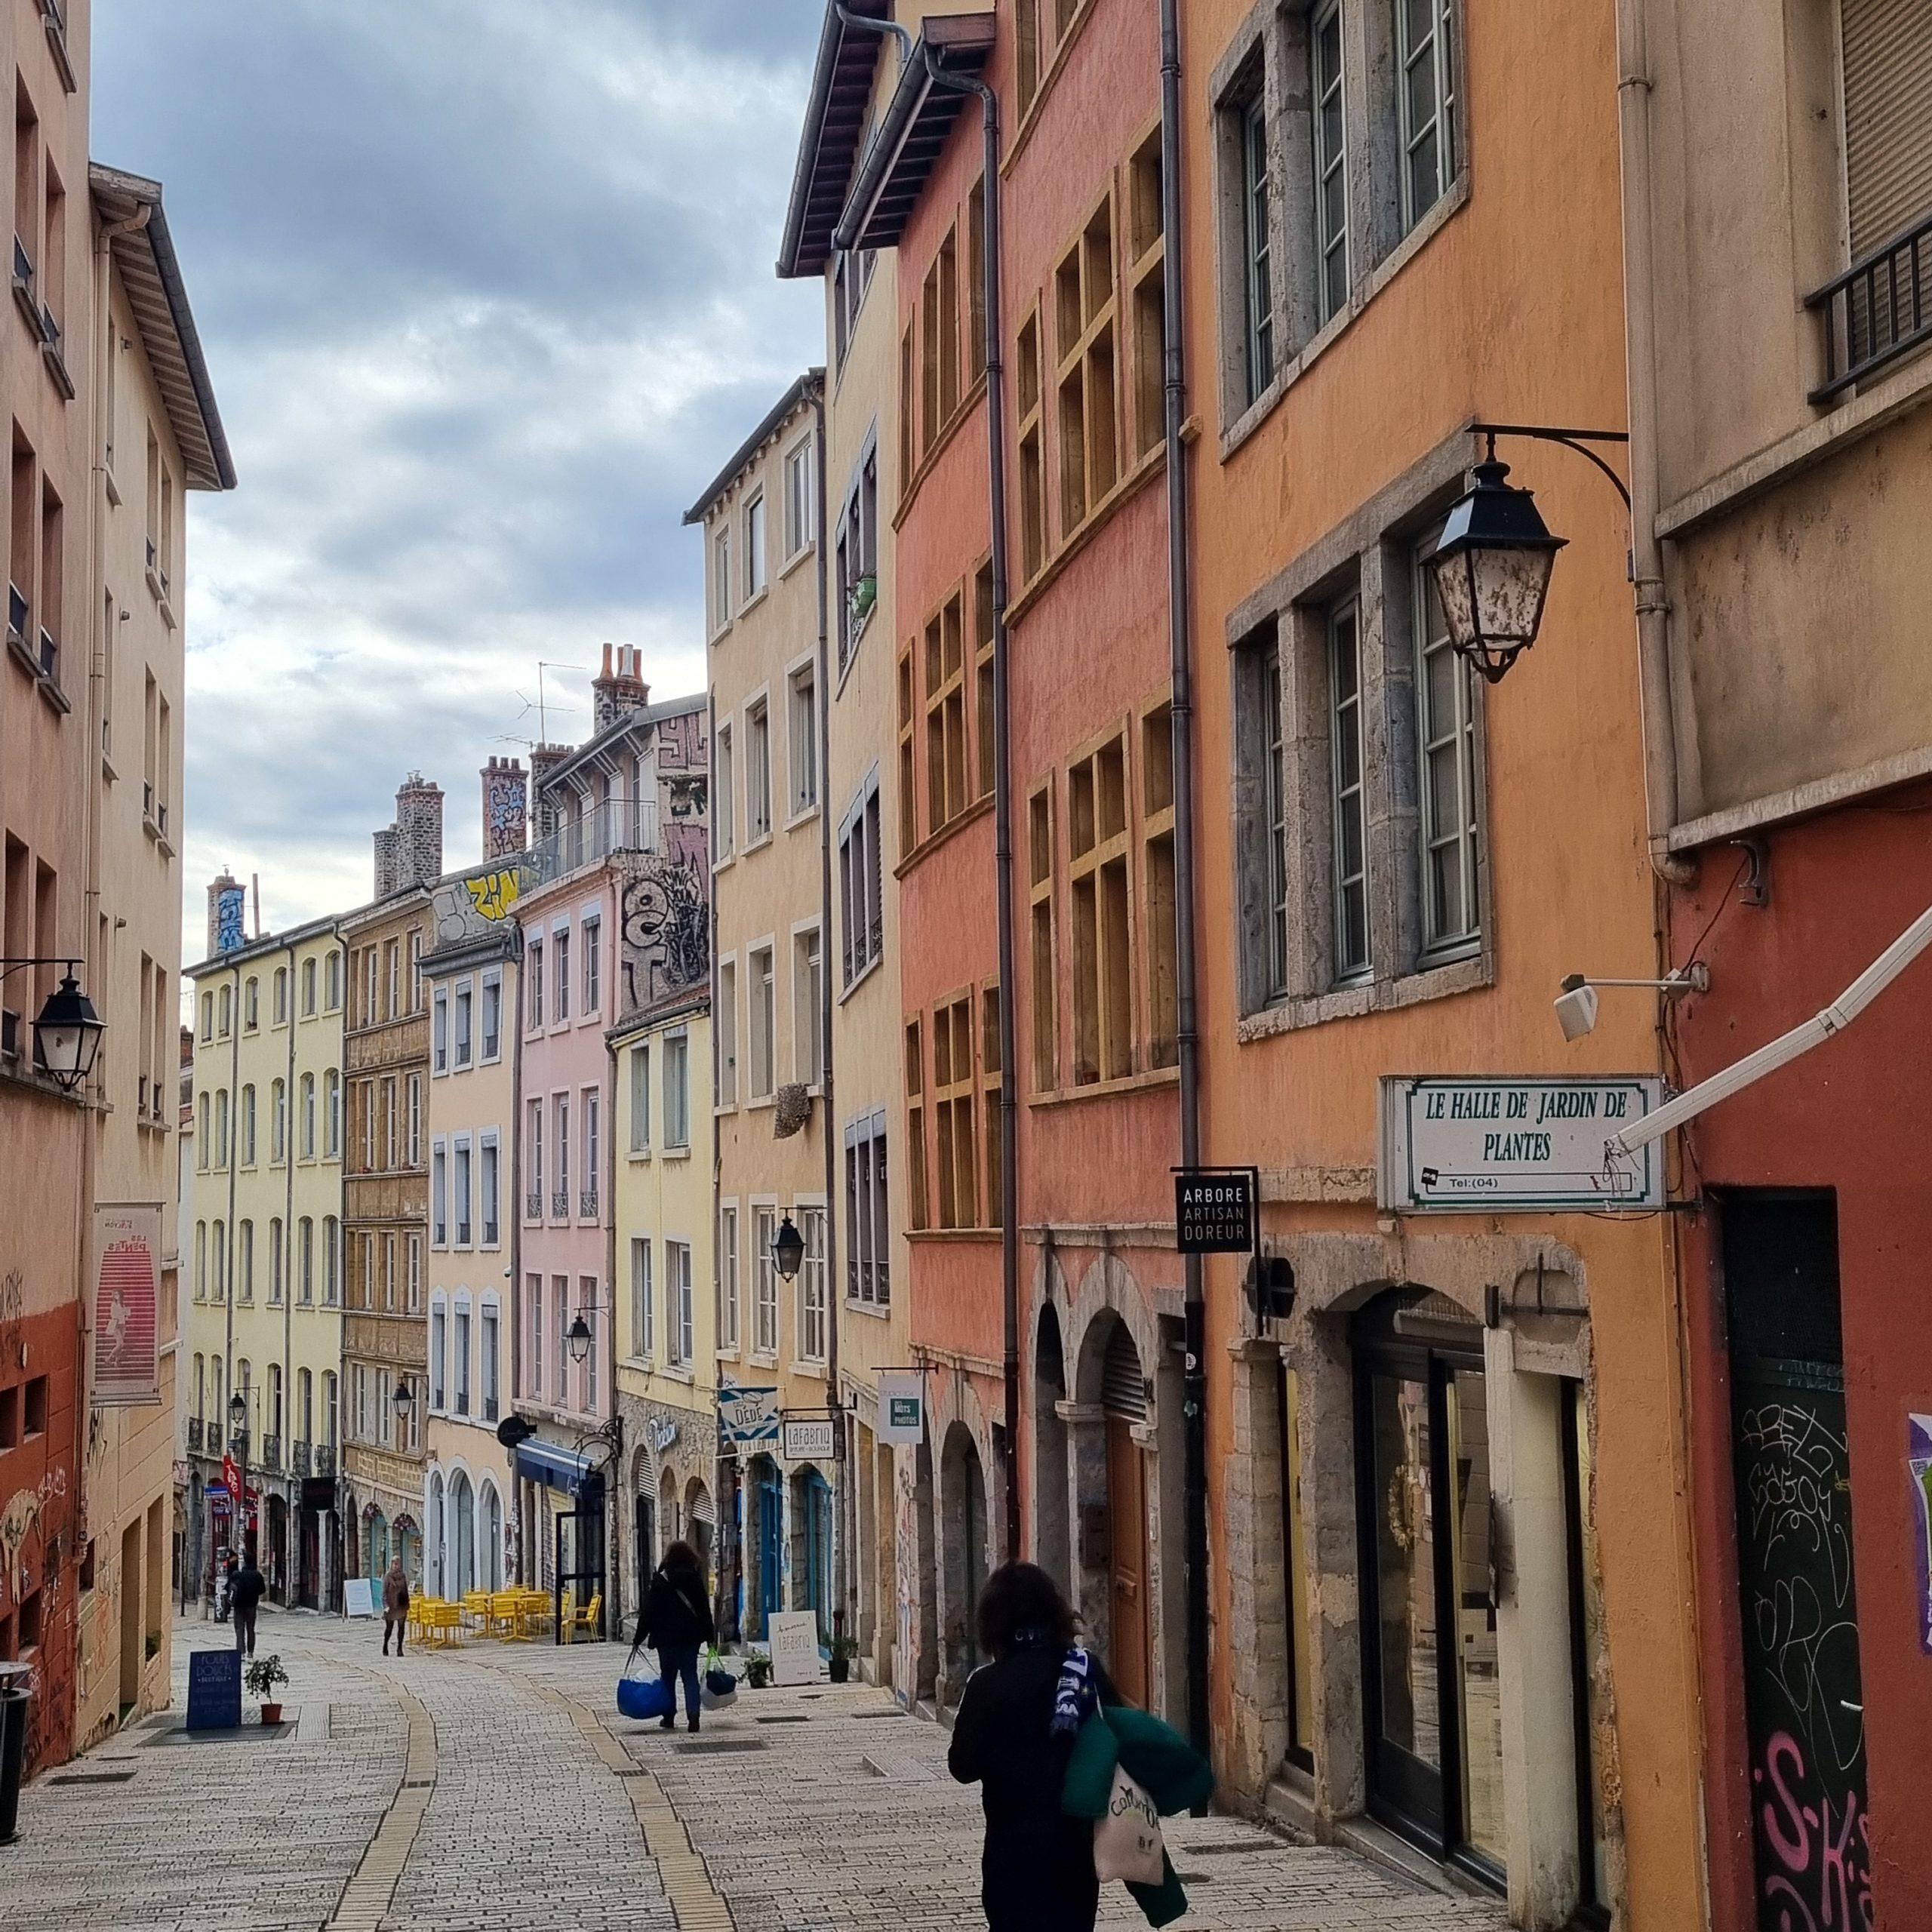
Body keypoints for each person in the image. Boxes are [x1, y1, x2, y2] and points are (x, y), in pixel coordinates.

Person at [947, 1561, 1118, 1932]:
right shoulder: (1082, 1671)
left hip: (1010, 1855)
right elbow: (1119, 1732)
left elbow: (961, 1767)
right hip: (1074, 1851)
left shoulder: (986, 1685)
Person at [631, 1541, 715, 1733]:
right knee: (690, 1676)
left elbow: (649, 1612)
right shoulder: (694, 1577)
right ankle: (694, 1717)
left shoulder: (661, 1580)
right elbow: (703, 1609)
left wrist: (639, 1637)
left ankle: (668, 1716)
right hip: (689, 1638)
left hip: (666, 1639)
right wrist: (710, 1636)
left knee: (667, 1677)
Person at [229, 1554, 266, 1659]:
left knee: (239, 1629)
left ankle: (241, 1652)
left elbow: (231, 1588)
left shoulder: (239, 1575)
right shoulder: (257, 1575)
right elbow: (262, 1590)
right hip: (251, 1606)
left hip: (239, 1606)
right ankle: (250, 1652)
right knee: (251, 1629)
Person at [381, 1556, 410, 1657]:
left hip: (401, 1605)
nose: (396, 1565)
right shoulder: (388, 1576)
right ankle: (385, 1645)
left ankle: (399, 1648)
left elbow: (405, 1590)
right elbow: (384, 1592)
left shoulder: (402, 1576)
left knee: (401, 1627)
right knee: (389, 1628)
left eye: (398, 1563)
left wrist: (407, 1604)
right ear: (391, 1564)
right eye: (394, 1563)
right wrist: (386, 1606)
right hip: (391, 1605)